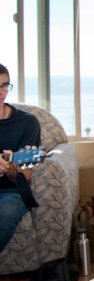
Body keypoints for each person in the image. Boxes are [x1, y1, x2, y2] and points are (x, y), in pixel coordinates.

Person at [0, 63, 41, 253]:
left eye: (5, 85)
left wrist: (11, 171)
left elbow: (25, 176)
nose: (1, 92)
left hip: (10, 192)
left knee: (6, 210)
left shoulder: (26, 123)